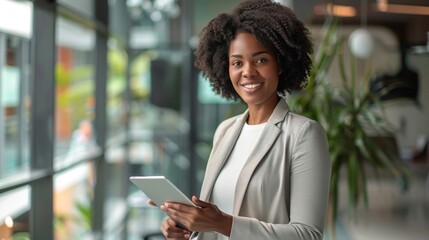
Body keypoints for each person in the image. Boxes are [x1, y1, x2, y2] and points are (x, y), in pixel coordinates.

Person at [149, 0, 331, 239]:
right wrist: (188, 226)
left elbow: (308, 234)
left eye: (261, 60)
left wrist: (225, 224)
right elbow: (219, 217)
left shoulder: (304, 134)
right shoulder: (225, 130)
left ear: (282, 65)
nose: (248, 71)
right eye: (237, 62)